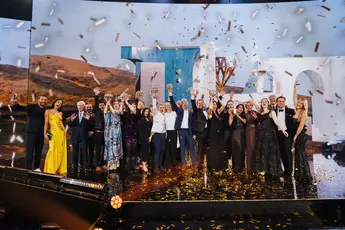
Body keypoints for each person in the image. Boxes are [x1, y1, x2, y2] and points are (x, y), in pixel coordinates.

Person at [252, 98, 288, 180]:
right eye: (262, 101)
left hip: (270, 134)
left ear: (268, 103)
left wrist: (283, 130)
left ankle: (273, 171)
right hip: (261, 135)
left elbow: (276, 121)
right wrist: (252, 98)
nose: (264, 103)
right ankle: (266, 170)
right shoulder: (260, 112)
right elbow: (255, 104)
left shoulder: (271, 112)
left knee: (271, 152)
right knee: (264, 152)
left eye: (265, 101)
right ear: (261, 103)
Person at [11, 94, 48, 171]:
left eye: (45, 100)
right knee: (29, 151)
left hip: (41, 133)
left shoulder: (46, 110)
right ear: (38, 100)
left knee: (39, 151)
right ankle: (27, 169)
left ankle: (36, 167)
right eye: (42, 99)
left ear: (46, 101)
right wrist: (15, 104)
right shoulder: (32, 107)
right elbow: (21, 108)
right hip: (31, 132)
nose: (43, 101)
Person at [168, 86, 196, 166]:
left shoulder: (190, 113)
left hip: (189, 131)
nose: (184, 104)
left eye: (185, 102)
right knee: (182, 147)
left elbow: (192, 124)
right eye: (182, 103)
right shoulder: (179, 111)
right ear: (181, 104)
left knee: (191, 147)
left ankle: (194, 162)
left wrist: (194, 133)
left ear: (187, 104)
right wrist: (170, 93)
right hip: (181, 131)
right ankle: (183, 162)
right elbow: (173, 103)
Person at [293, 81, 312, 182]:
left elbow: (300, 126)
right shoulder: (296, 110)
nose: (299, 103)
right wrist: (294, 88)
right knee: (298, 153)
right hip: (298, 134)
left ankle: (303, 174)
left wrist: (296, 135)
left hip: (301, 134)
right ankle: (299, 172)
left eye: (301, 103)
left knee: (300, 153)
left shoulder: (304, 113)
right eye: (298, 102)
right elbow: (294, 98)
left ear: (304, 104)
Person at [275, 96, 297, 178]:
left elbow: (295, 122)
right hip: (277, 134)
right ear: (277, 102)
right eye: (279, 101)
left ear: (285, 102)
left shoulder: (291, 111)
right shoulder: (273, 111)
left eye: (283, 101)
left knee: (287, 152)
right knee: (281, 152)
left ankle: (289, 171)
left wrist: (295, 134)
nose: (281, 102)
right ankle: (285, 170)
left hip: (287, 134)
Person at [43, 99, 67, 175]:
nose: (59, 103)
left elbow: (61, 123)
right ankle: (50, 169)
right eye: (58, 102)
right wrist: (45, 134)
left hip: (61, 133)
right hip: (53, 133)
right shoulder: (48, 111)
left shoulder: (60, 113)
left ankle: (59, 168)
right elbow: (46, 124)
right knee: (52, 149)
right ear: (54, 102)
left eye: (61, 103)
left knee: (60, 151)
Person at [67, 101, 91, 174]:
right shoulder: (74, 115)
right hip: (75, 135)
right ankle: (75, 165)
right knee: (75, 151)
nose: (80, 107)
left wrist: (88, 119)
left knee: (84, 151)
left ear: (84, 106)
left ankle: (85, 166)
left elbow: (90, 126)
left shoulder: (87, 115)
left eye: (81, 105)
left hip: (84, 135)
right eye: (78, 105)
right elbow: (70, 125)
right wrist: (71, 120)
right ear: (77, 106)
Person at [103, 95, 123, 171]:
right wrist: (107, 103)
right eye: (115, 104)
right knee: (110, 147)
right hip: (110, 133)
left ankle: (115, 164)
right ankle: (110, 164)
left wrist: (121, 102)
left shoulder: (118, 112)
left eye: (117, 104)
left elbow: (115, 111)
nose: (116, 105)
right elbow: (104, 112)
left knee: (116, 148)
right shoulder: (109, 112)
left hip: (116, 133)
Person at [190, 88, 208, 167]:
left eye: (201, 103)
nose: (200, 104)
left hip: (208, 131)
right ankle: (199, 163)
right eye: (199, 103)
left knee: (207, 148)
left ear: (204, 103)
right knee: (200, 149)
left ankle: (206, 162)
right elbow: (193, 103)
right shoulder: (196, 110)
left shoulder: (208, 110)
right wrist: (193, 97)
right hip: (200, 132)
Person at [149, 92, 166, 173]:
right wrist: (154, 98)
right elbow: (154, 107)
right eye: (161, 107)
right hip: (157, 135)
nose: (162, 108)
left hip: (163, 135)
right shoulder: (156, 114)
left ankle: (160, 165)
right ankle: (156, 167)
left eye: (163, 107)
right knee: (157, 150)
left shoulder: (165, 115)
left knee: (162, 150)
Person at [207, 95, 225, 172]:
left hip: (220, 132)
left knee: (219, 149)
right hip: (212, 132)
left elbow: (223, 106)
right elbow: (210, 108)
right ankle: (213, 165)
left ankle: (219, 165)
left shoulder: (219, 111)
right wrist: (211, 99)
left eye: (215, 104)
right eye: (213, 104)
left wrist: (218, 98)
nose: (214, 105)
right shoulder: (210, 112)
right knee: (213, 149)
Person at [123, 95, 139, 171]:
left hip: (135, 136)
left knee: (134, 152)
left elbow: (134, 110)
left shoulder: (137, 114)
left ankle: (133, 166)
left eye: (134, 106)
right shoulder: (126, 114)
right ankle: (128, 167)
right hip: (128, 136)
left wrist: (128, 103)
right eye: (132, 106)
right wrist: (126, 102)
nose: (133, 107)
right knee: (128, 152)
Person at [229, 104, 246, 173]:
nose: (240, 109)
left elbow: (244, 121)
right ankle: (235, 167)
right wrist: (232, 115)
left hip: (242, 133)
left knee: (241, 149)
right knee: (236, 149)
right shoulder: (233, 114)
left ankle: (241, 167)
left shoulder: (243, 115)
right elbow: (230, 123)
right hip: (235, 132)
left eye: (242, 108)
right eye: (239, 107)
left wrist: (237, 115)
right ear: (236, 108)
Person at [93, 87, 106, 172]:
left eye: (103, 105)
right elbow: (96, 103)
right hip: (98, 133)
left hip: (106, 133)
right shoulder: (97, 111)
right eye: (100, 105)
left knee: (105, 149)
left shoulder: (107, 113)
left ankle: (103, 164)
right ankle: (97, 164)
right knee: (98, 150)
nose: (101, 106)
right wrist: (96, 95)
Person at [245, 101, 258, 173]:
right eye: (247, 105)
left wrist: (256, 118)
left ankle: (256, 168)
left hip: (255, 131)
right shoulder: (245, 114)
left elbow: (259, 121)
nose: (249, 106)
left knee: (254, 148)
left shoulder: (255, 113)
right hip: (247, 131)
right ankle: (249, 168)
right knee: (249, 149)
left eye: (250, 105)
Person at [138, 108, 152, 172]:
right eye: (145, 111)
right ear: (143, 112)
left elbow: (150, 128)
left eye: (147, 111)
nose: (146, 112)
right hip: (143, 138)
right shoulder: (141, 119)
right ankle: (143, 165)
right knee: (144, 151)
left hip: (148, 137)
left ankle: (145, 164)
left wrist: (150, 136)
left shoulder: (149, 119)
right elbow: (140, 129)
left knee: (147, 151)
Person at [164, 102, 177, 168]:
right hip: (167, 132)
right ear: (165, 107)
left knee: (173, 147)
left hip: (174, 131)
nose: (168, 106)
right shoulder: (164, 114)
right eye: (167, 105)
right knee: (167, 147)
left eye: (169, 105)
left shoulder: (174, 113)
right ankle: (168, 163)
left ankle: (174, 162)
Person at [85, 103, 95, 170]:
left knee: (91, 150)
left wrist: (92, 131)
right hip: (84, 134)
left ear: (92, 108)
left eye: (90, 107)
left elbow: (96, 124)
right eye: (87, 107)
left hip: (92, 134)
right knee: (84, 150)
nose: (88, 108)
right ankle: (84, 163)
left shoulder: (94, 115)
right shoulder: (82, 115)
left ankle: (91, 164)